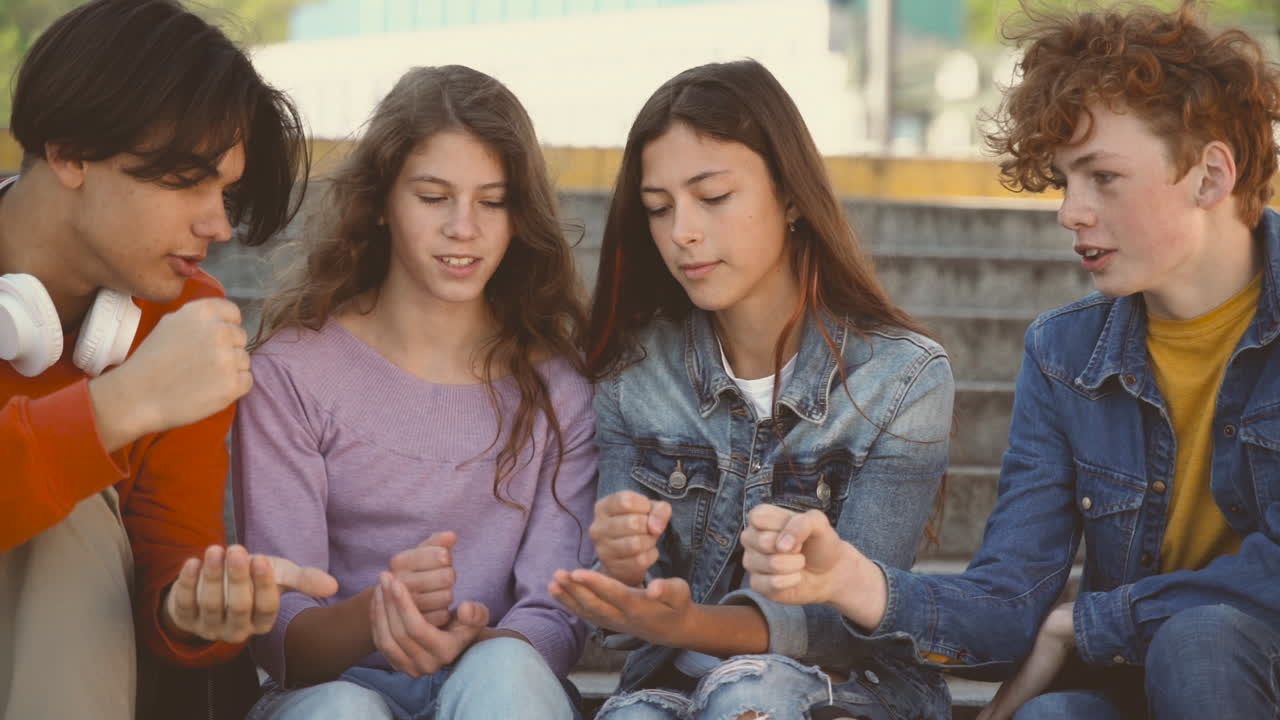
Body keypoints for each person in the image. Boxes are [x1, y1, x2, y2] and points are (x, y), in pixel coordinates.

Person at [740, 3, 1280, 719]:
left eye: (1103, 177)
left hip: (1247, 672)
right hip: (1133, 677)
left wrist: (1086, 621)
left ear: (1211, 175)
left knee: (1202, 639)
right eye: (1064, 181)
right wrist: (852, 579)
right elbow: (1011, 601)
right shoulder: (1064, 353)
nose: (1069, 212)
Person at [549, 59, 955, 719]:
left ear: (791, 196)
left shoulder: (901, 380)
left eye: (712, 197)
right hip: (671, 686)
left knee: (749, 694)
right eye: (658, 208)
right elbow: (622, 624)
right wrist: (622, 569)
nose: (681, 231)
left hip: (845, 691)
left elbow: (852, 624)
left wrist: (689, 625)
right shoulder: (634, 373)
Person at [0, 1, 337, 718]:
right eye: (187, 181)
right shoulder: (163, 357)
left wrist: (195, 605)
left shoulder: (184, 316)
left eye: (227, 191)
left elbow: (171, 547)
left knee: (74, 520)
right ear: (68, 153)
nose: (217, 224)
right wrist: (122, 406)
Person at [233, 64, 597, 720]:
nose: (465, 228)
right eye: (433, 197)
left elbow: (557, 606)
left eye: (493, 201)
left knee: (507, 673)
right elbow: (279, 627)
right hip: (328, 694)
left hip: (496, 683)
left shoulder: (558, 389)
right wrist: (378, 616)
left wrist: (479, 640)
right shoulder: (291, 374)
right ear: (379, 201)